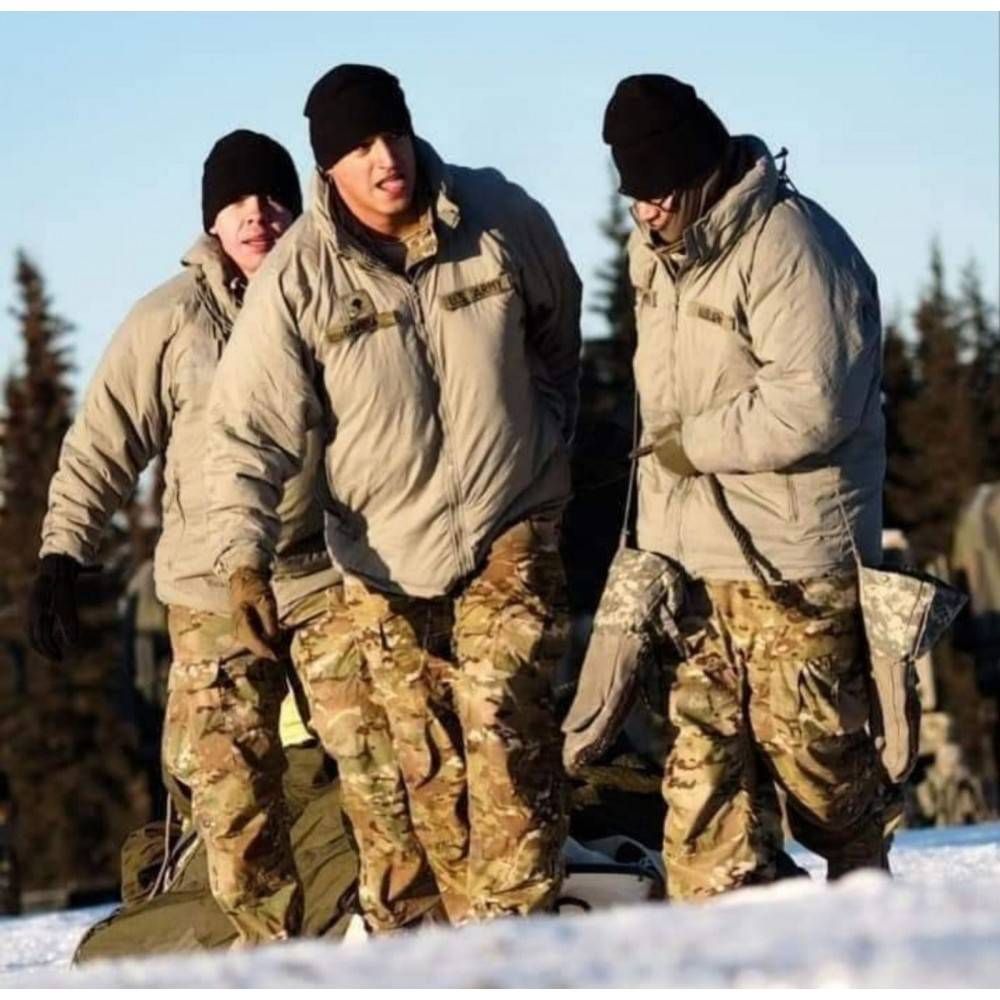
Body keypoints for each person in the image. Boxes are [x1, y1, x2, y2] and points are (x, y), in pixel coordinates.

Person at [206, 64, 581, 931]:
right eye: (361, 148)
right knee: (433, 783)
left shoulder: (498, 216)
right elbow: (246, 431)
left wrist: (546, 437)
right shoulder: (298, 278)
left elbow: (558, 330)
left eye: (394, 135)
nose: (386, 159)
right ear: (327, 169)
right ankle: (466, 961)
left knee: (503, 733)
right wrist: (243, 562)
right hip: (383, 564)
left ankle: (522, 953)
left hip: (510, 522)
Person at [28, 130, 342, 943]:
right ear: (211, 220)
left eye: (272, 199)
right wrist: (63, 551)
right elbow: (102, 443)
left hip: (329, 578)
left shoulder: (335, 293)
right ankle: (266, 962)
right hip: (210, 593)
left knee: (382, 763)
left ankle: (392, 945)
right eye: (236, 202)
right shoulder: (170, 320)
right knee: (231, 799)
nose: (257, 215)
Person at [601, 74, 890, 899]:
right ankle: (734, 939)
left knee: (824, 780)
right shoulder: (655, 251)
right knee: (702, 799)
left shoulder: (794, 246)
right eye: (633, 196)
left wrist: (694, 447)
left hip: (791, 563)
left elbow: (814, 400)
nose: (645, 212)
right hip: (691, 564)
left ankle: (868, 910)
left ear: (699, 170)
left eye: (658, 192)